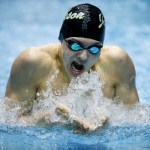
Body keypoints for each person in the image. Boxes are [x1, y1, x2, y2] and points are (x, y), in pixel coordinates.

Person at [5, 3, 139, 133]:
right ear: (61, 38)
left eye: (93, 48)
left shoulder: (118, 63)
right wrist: (48, 120)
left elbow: (137, 122)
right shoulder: (32, 63)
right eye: (75, 46)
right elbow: (7, 122)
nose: (84, 56)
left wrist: (108, 125)